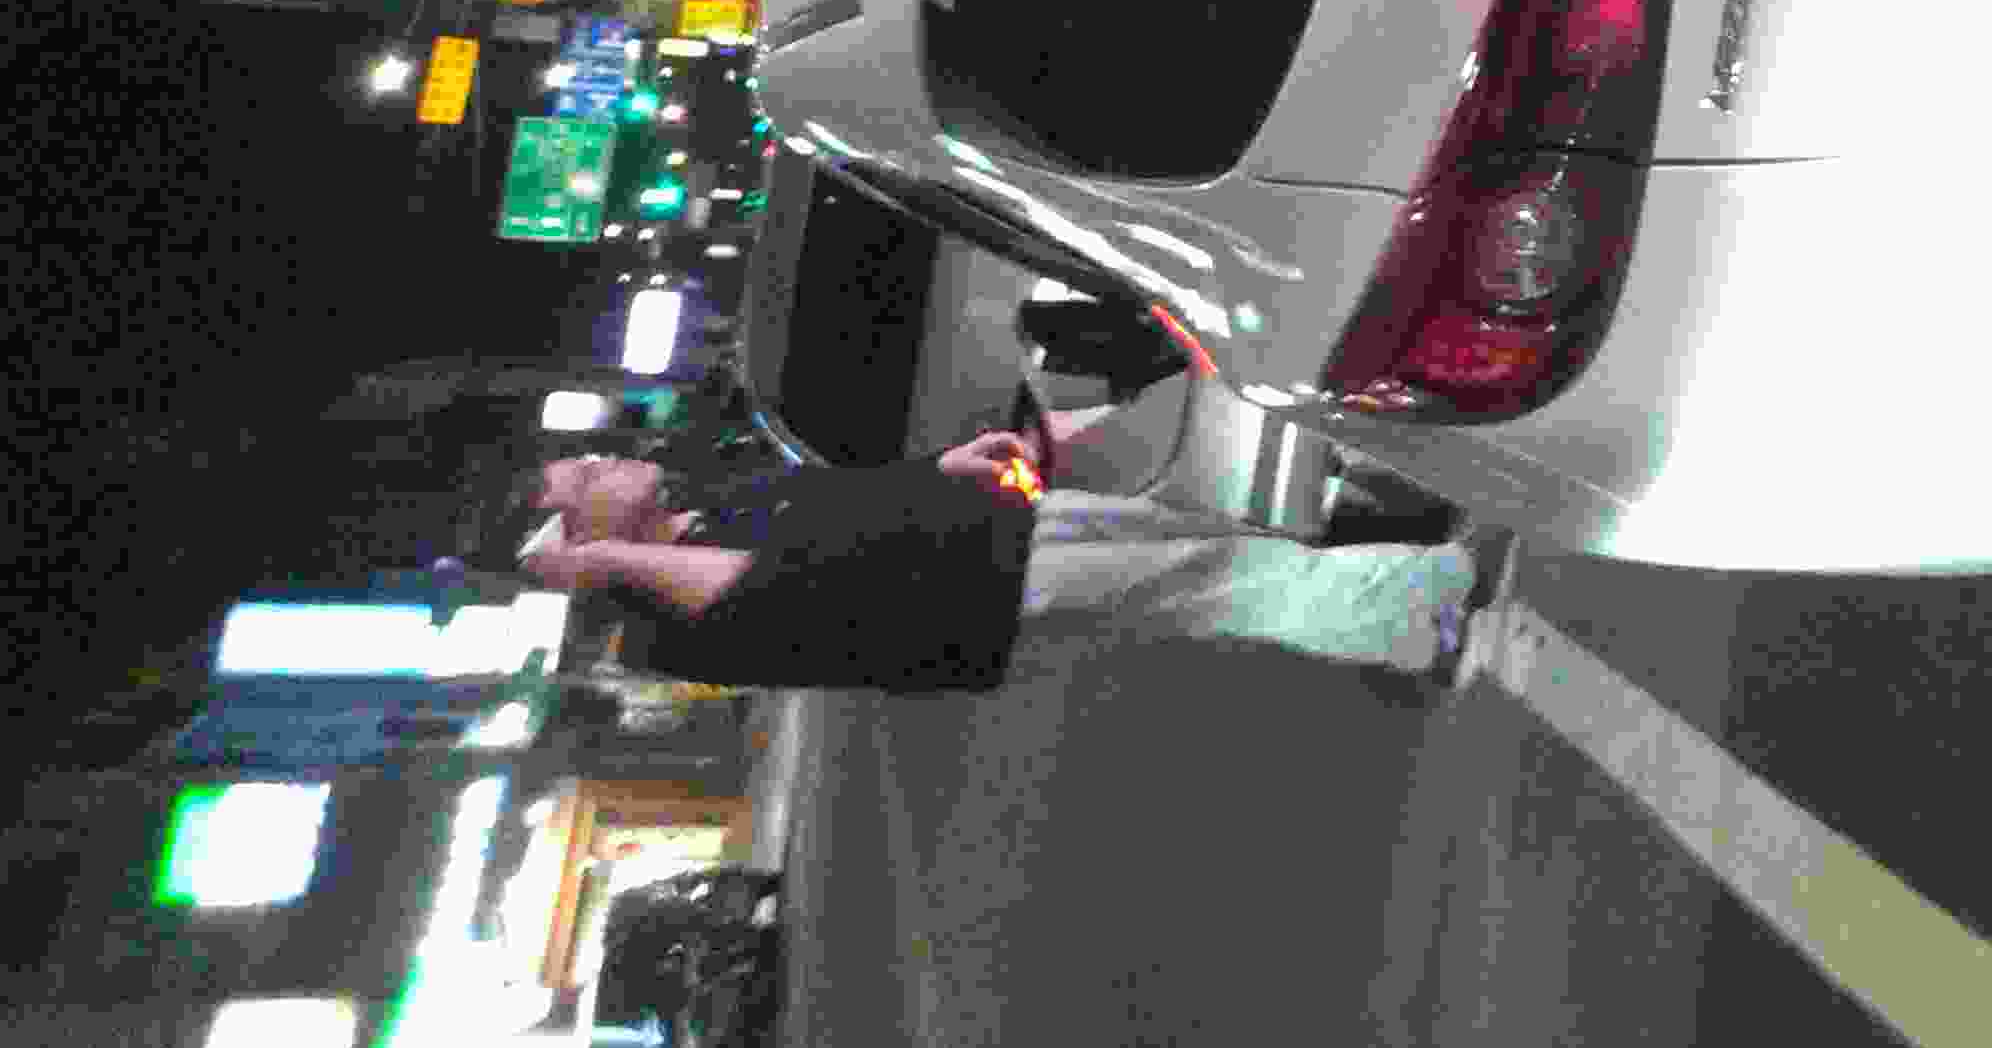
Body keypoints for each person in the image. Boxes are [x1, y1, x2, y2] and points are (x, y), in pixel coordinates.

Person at [489, 390, 1497, 698]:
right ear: (578, 540)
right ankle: (1416, 606)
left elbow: (837, 503)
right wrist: (607, 568)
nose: (608, 461)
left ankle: (1409, 606)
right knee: (1213, 581)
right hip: (972, 588)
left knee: (1204, 542)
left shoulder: (706, 506)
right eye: (587, 479)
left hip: (991, 528)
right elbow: (766, 587)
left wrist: (940, 467)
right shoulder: (662, 621)